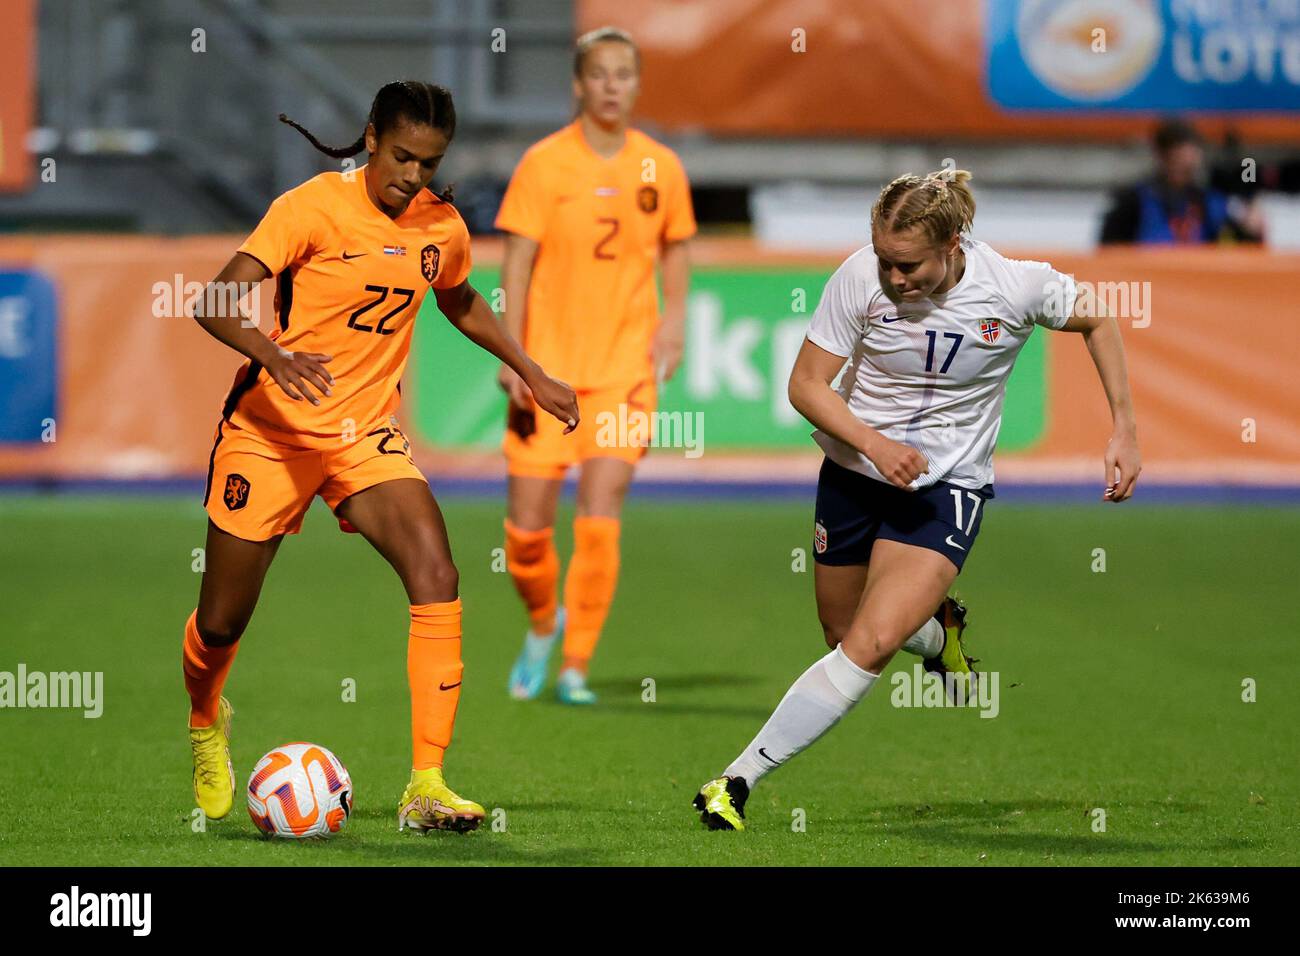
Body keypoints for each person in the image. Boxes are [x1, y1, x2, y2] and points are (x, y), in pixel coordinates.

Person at [182, 81, 579, 834]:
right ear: (371, 138)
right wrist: (274, 353)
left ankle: (426, 783)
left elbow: (457, 296)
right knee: (222, 622)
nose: (413, 176)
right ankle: (206, 717)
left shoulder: (442, 227)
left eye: (429, 163)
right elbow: (214, 300)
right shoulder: (310, 209)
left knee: (437, 573)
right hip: (271, 434)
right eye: (402, 156)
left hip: (364, 436)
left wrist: (532, 370)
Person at [694, 168, 1141, 830]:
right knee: (842, 633)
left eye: (908, 265)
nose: (893, 278)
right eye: (884, 260)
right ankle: (939, 637)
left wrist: (1124, 430)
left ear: (953, 243)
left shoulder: (1017, 286)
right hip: (853, 473)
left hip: (946, 489)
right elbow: (807, 385)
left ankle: (735, 780)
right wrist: (873, 445)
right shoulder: (858, 278)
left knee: (870, 644)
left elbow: (1099, 318)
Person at [495, 27, 695, 705]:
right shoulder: (543, 165)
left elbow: (676, 248)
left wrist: (676, 318)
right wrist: (515, 358)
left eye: (624, 74)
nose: (613, 86)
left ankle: (576, 663)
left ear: (637, 84)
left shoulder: (659, 167)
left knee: (601, 511)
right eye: (600, 74)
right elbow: (516, 263)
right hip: (547, 374)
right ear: (579, 85)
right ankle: (541, 621)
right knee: (525, 532)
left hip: (623, 374)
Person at [1099, 119, 1264, 245]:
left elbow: (1239, 243)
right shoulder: (1133, 202)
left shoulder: (1207, 201)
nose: (1184, 172)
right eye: (1177, 162)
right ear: (1162, 157)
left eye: (1190, 167)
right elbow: (1109, 253)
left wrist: (1251, 229)